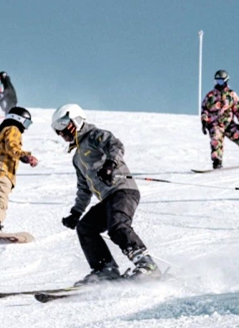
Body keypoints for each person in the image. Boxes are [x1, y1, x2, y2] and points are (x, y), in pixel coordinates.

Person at [51, 103, 161, 285]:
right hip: (108, 199)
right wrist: (76, 212)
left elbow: (115, 145)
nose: (61, 133)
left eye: (63, 126)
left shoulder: (94, 136)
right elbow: (84, 187)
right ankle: (105, 269)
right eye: (57, 130)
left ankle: (147, 265)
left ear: (76, 120)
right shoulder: (77, 157)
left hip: (123, 190)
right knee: (85, 228)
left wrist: (110, 164)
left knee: (117, 226)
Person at [201, 69, 239, 169]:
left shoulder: (231, 95)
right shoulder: (210, 96)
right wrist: (204, 122)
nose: (219, 84)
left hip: (228, 123)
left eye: (221, 81)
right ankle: (217, 161)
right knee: (216, 139)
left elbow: (237, 107)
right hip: (215, 124)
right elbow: (204, 109)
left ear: (226, 81)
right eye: (217, 81)